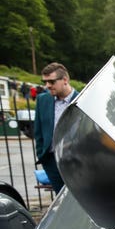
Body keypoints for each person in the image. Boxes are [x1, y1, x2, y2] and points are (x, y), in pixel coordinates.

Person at [33, 62, 79, 193]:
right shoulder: (42, 100)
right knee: (60, 200)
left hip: (77, 161)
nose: (47, 86)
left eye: (51, 82)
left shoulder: (81, 99)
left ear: (65, 80)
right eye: (45, 82)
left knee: (79, 200)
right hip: (52, 162)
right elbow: (38, 131)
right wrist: (42, 154)